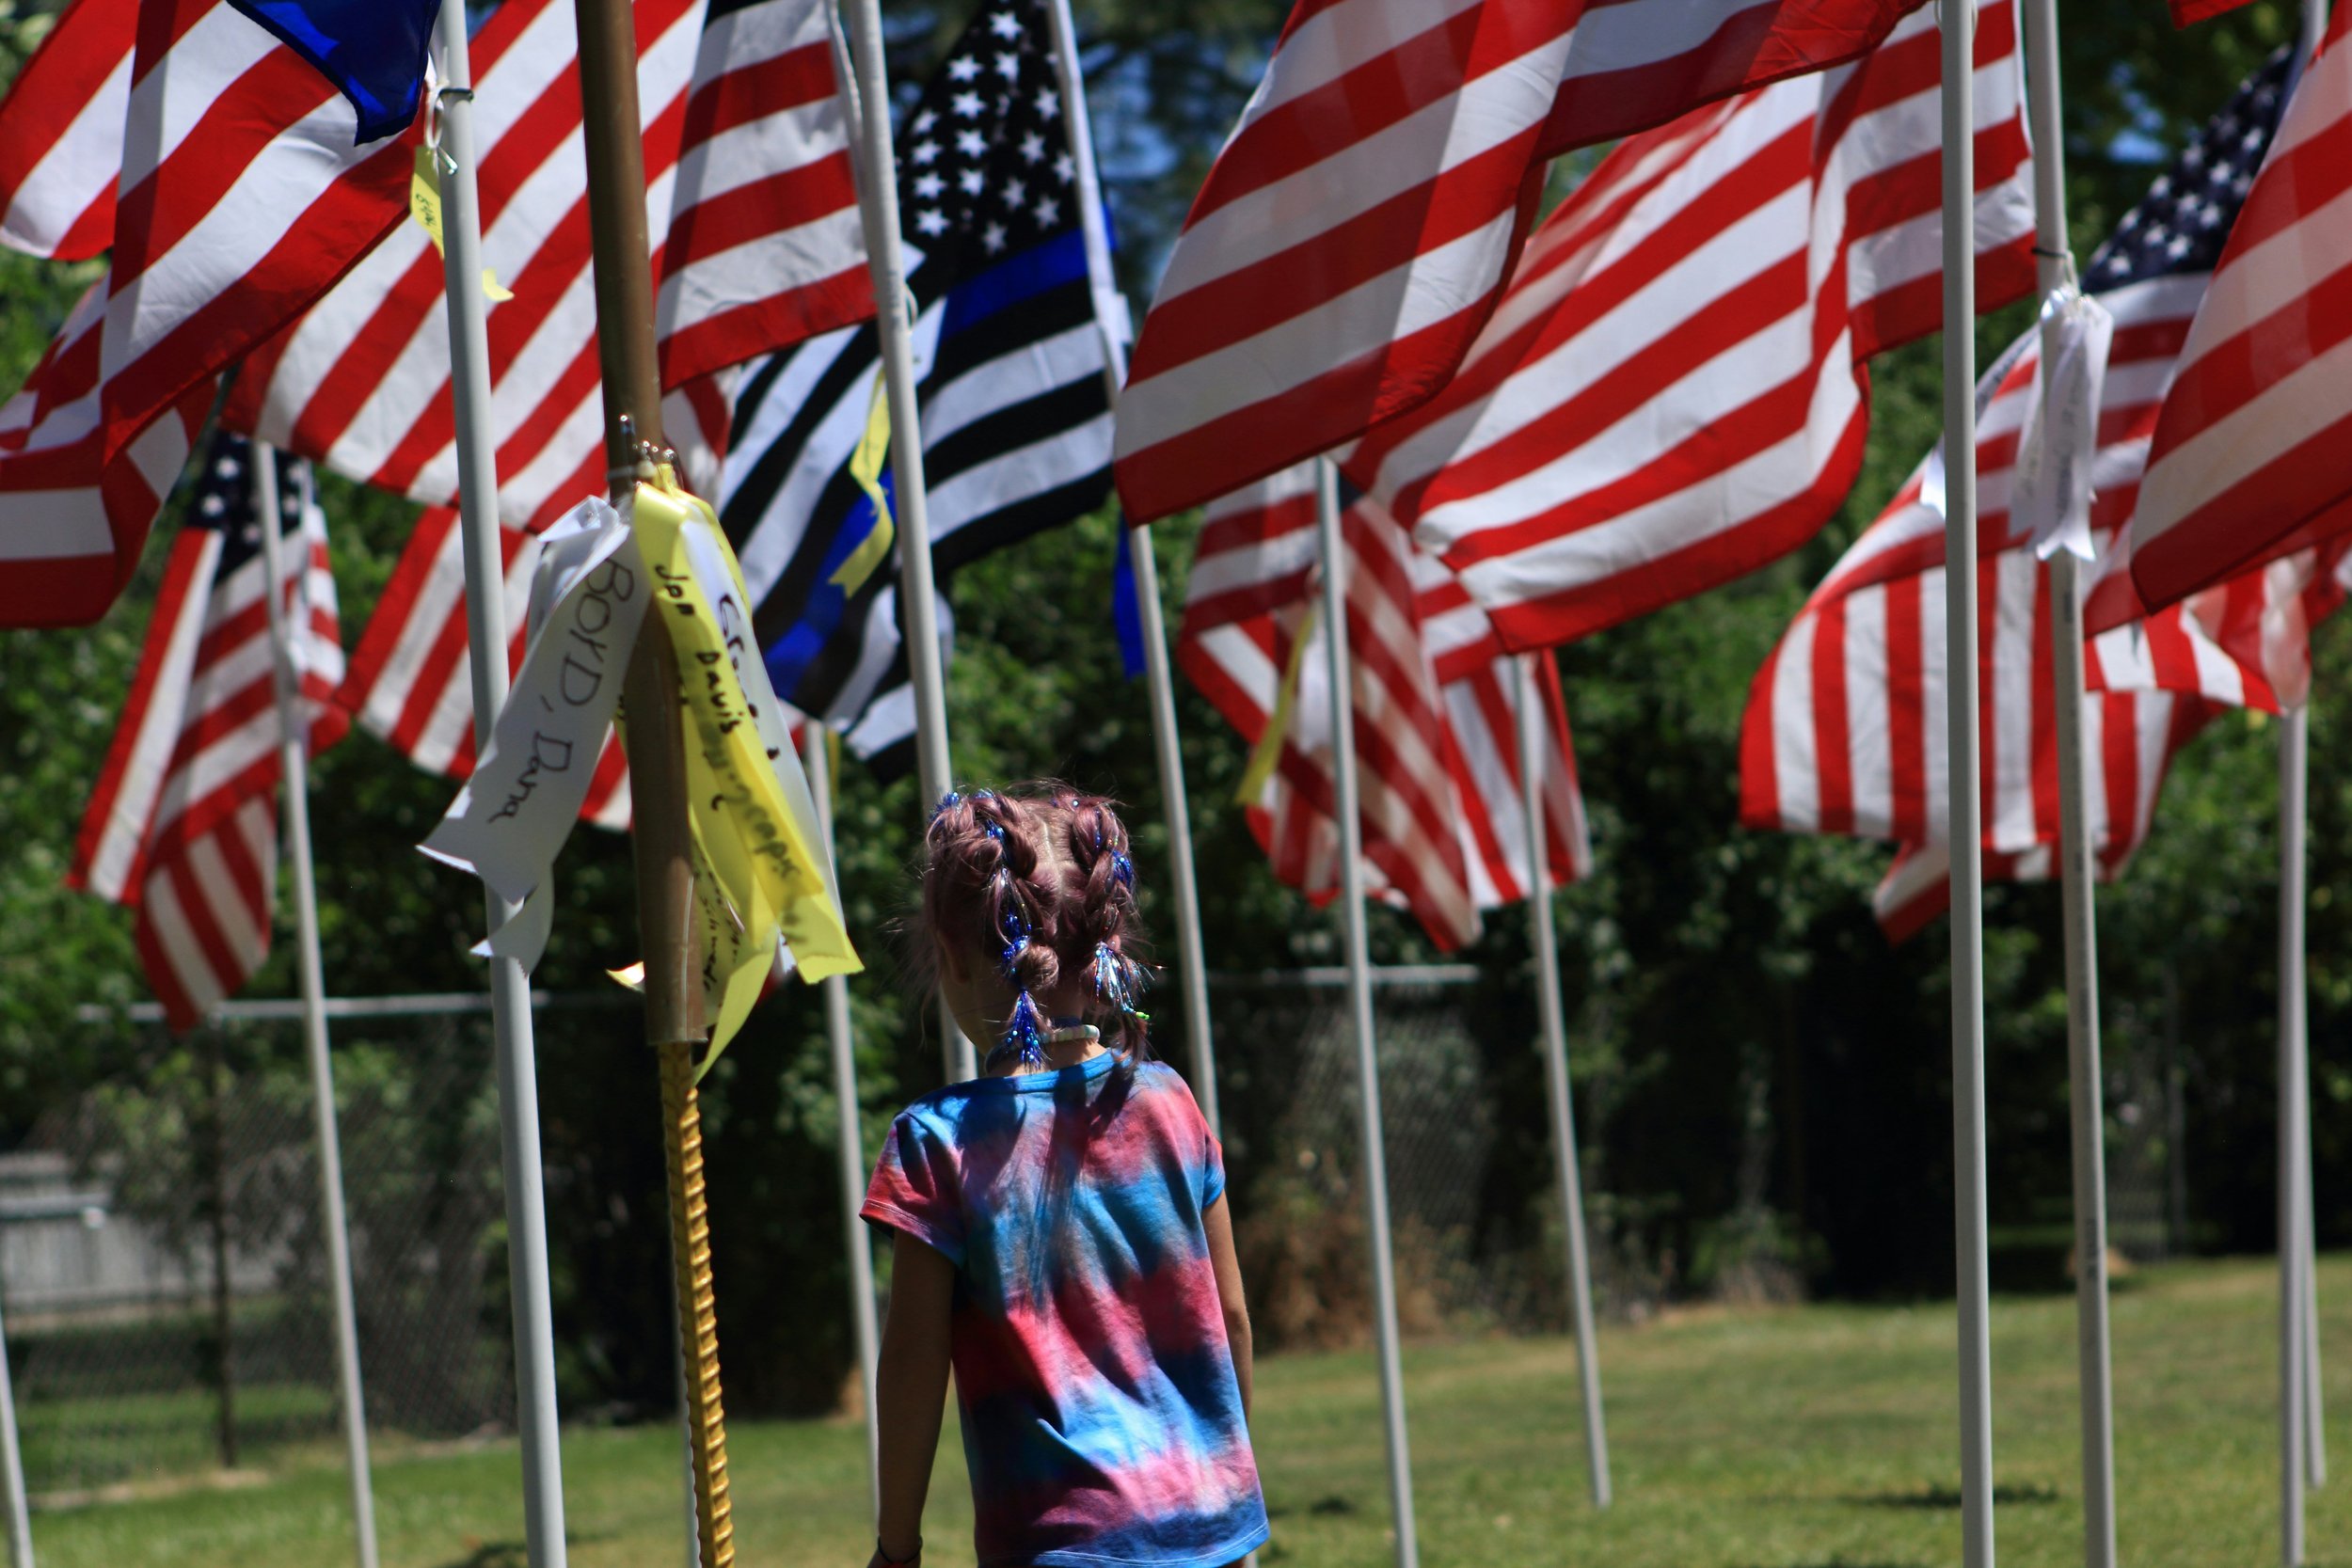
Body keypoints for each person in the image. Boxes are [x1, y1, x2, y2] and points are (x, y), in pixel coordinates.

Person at [860, 785, 1267, 1568]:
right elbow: (1233, 1317)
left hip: (1060, 1541)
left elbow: (913, 1363)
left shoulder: (938, 1143)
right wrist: (1223, 1483)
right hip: (1209, 1524)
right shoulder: (1170, 1103)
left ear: (947, 954)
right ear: (1104, 942)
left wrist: (898, 1547)